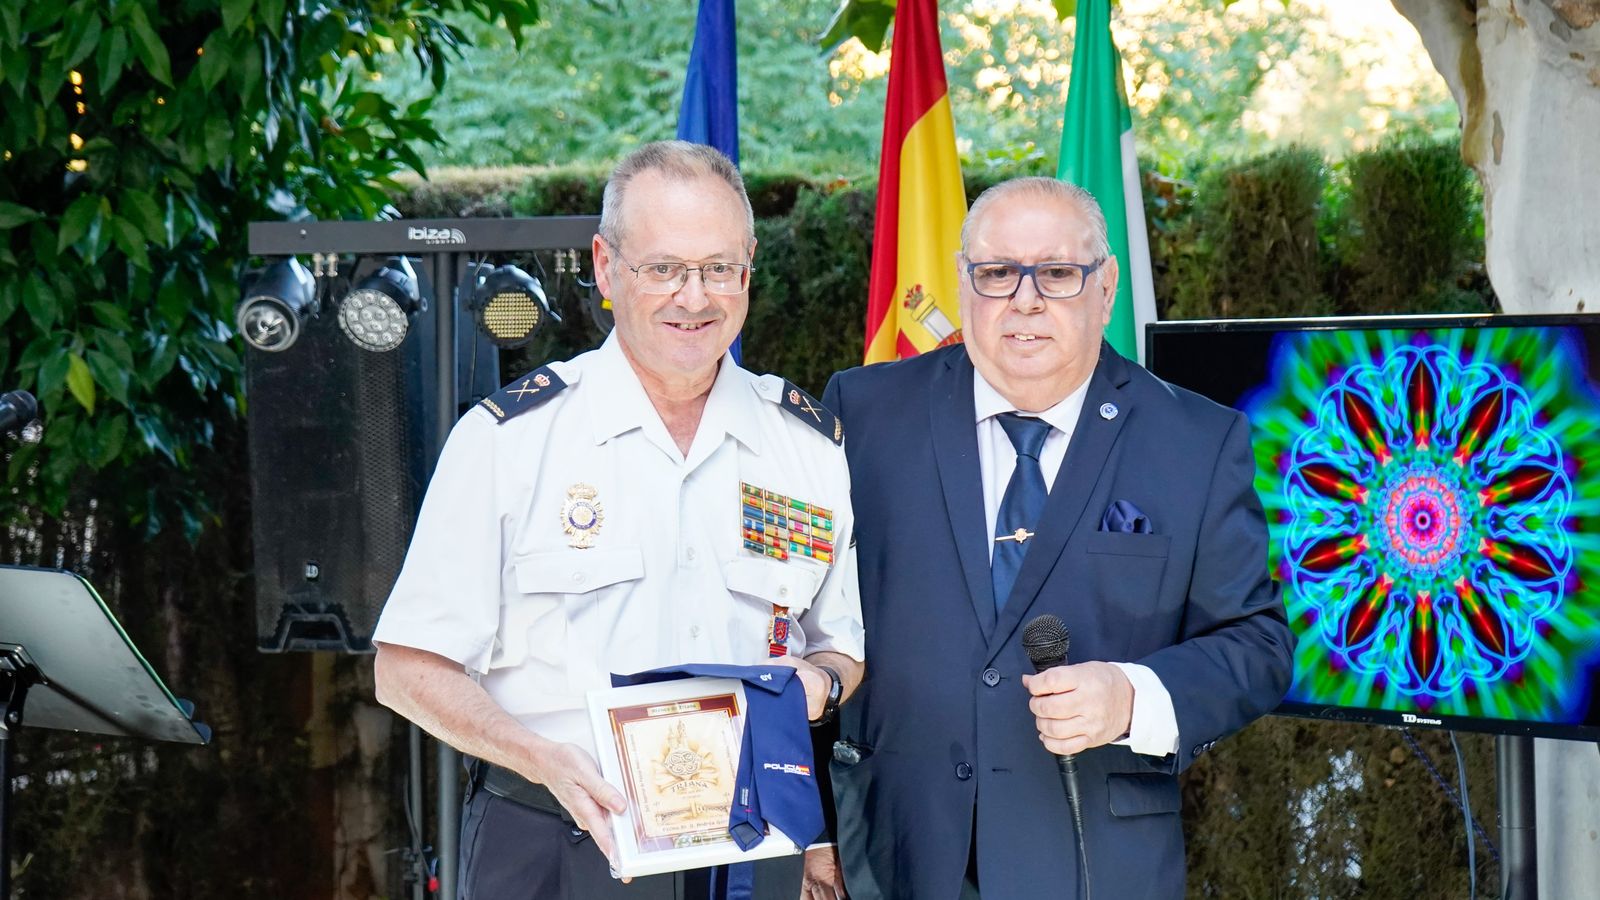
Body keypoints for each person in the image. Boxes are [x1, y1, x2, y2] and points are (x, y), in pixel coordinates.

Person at [371, 140, 865, 900]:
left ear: (749, 266)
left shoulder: (804, 445)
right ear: (605, 267)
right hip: (559, 842)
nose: (694, 297)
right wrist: (536, 755)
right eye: (662, 268)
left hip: (750, 846)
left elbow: (841, 650)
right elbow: (407, 669)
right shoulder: (510, 441)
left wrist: (819, 690)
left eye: (718, 268)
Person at [816, 176, 1294, 900]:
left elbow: (1257, 645)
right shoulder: (864, 413)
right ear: (963, 282)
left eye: (1059, 273)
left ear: (1105, 289)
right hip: (891, 854)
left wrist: (1133, 695)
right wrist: (814, 830)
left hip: (1093, 864)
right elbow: (806, 622)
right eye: (998, 272)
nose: (1026, 300)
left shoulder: (1197, 441)